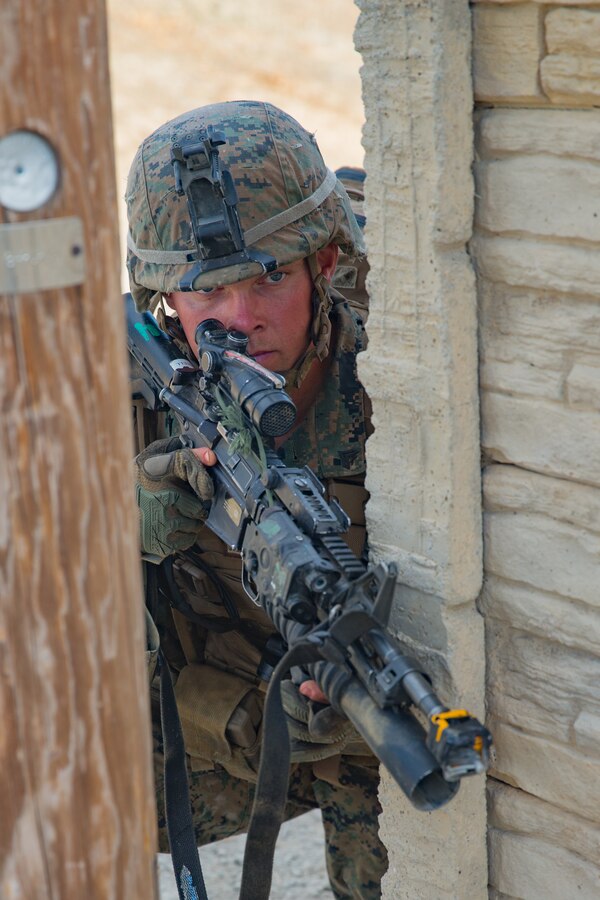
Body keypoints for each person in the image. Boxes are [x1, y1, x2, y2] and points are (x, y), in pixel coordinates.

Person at [127, 100, 387, 899]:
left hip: (383, 713)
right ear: (165, 301)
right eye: (209, 294)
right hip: (226, 714)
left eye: (272, 275)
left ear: (327, 262)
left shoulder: (404, 359)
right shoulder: (126, 388)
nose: (242, 320)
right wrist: (128, 527)